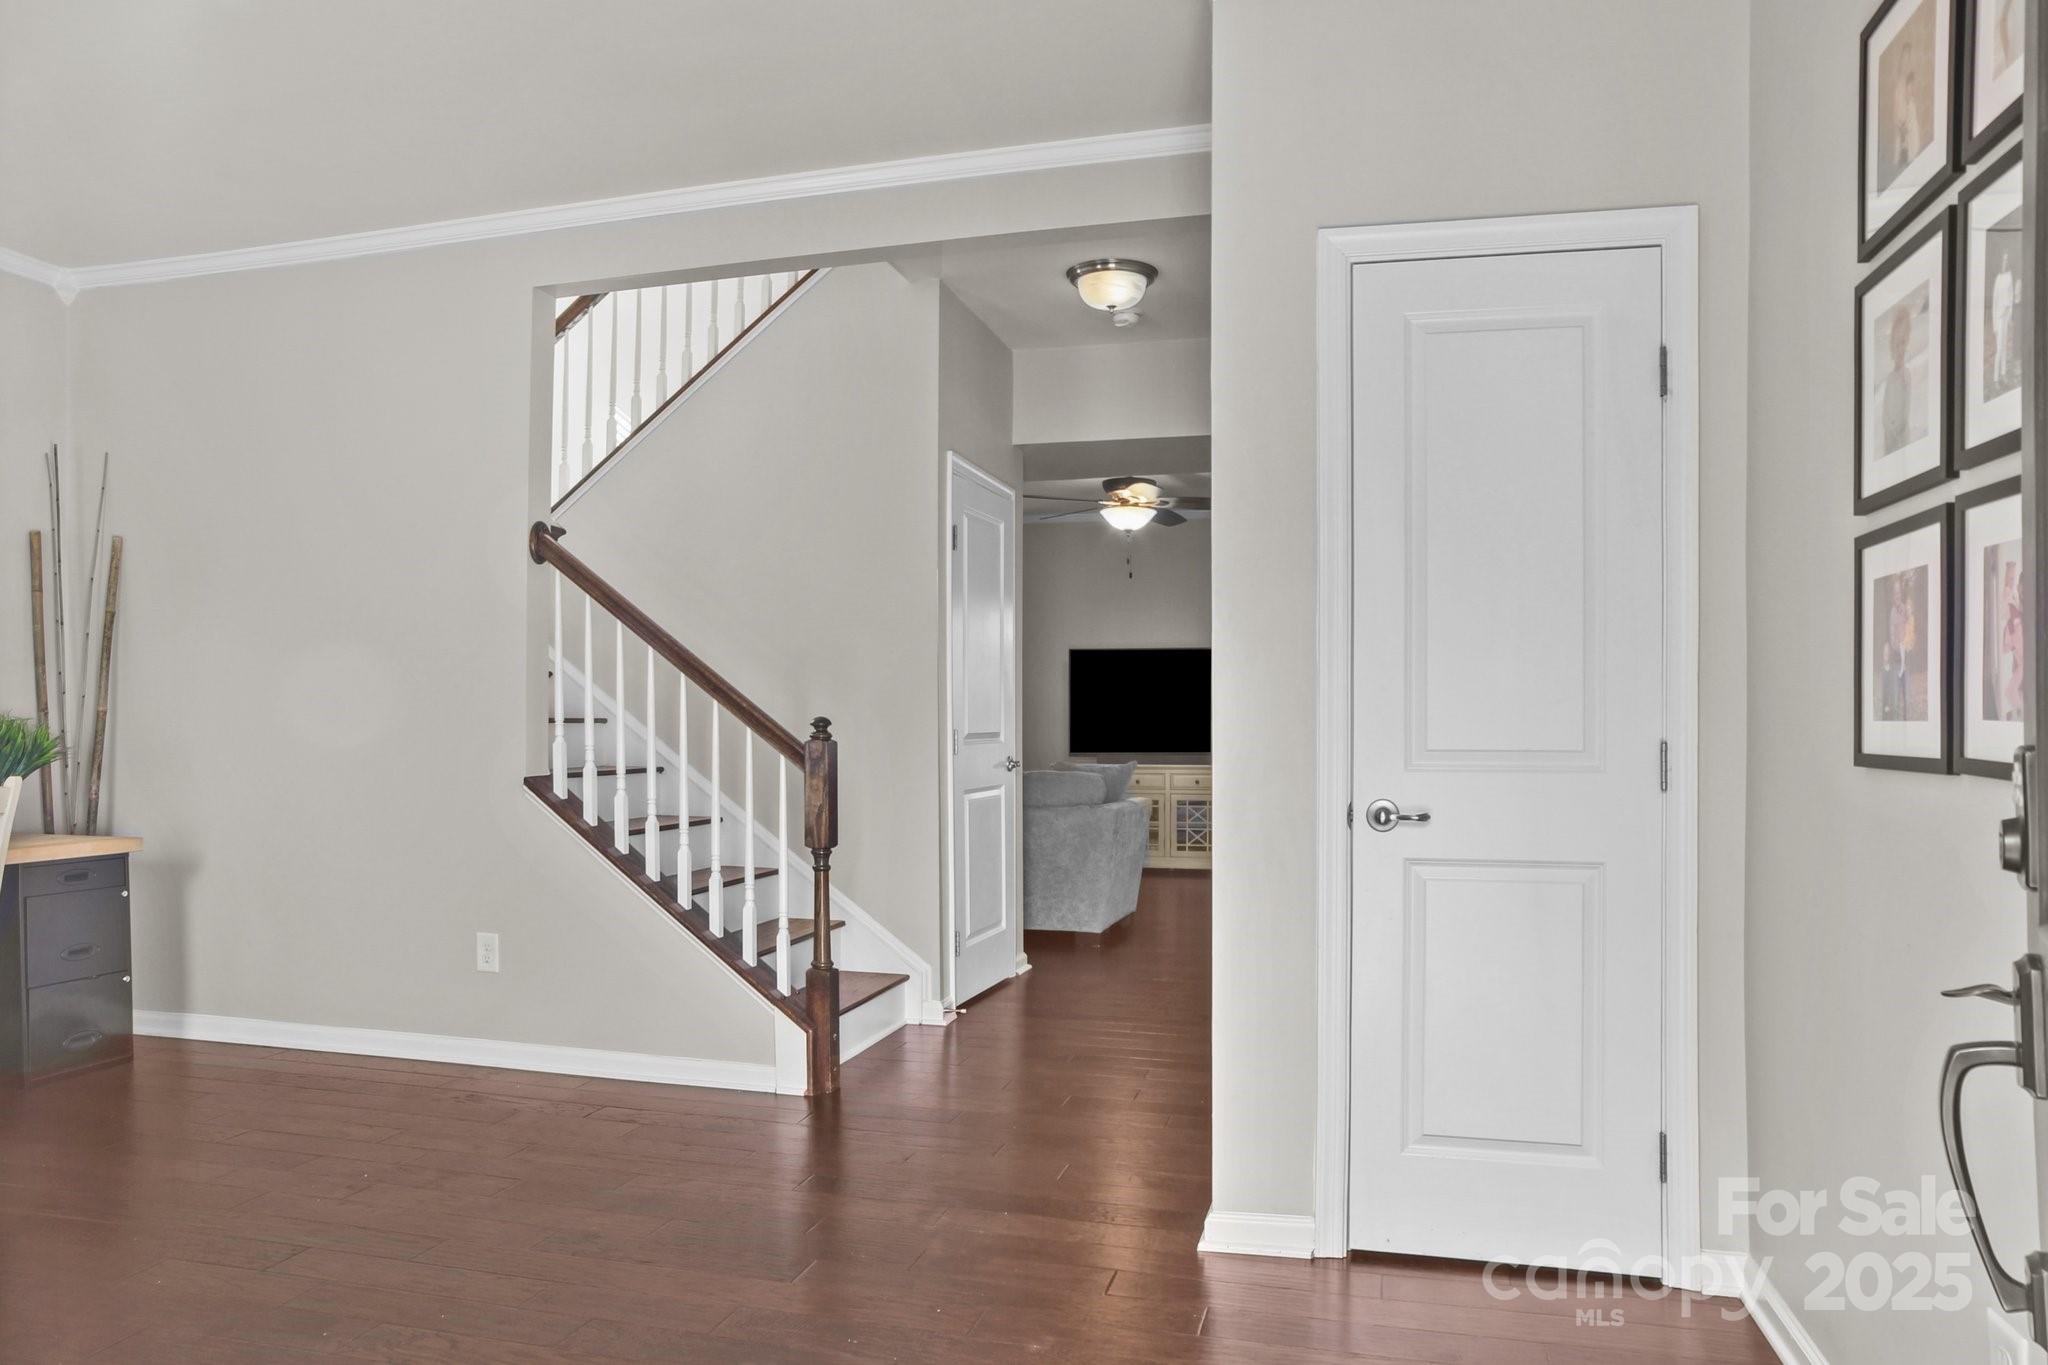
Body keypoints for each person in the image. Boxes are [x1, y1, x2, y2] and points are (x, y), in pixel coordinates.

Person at [1881, 307, 1918, 454]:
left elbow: (1906, 408)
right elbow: (1885, 409)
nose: (1900, 348)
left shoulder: (1905, 375)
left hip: (1900, 437)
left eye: (1903, 342)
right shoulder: (1890, 379)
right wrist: (1888, 425)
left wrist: (1897, 428)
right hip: (1889, 436)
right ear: (1891, 346)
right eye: (1896, 344)